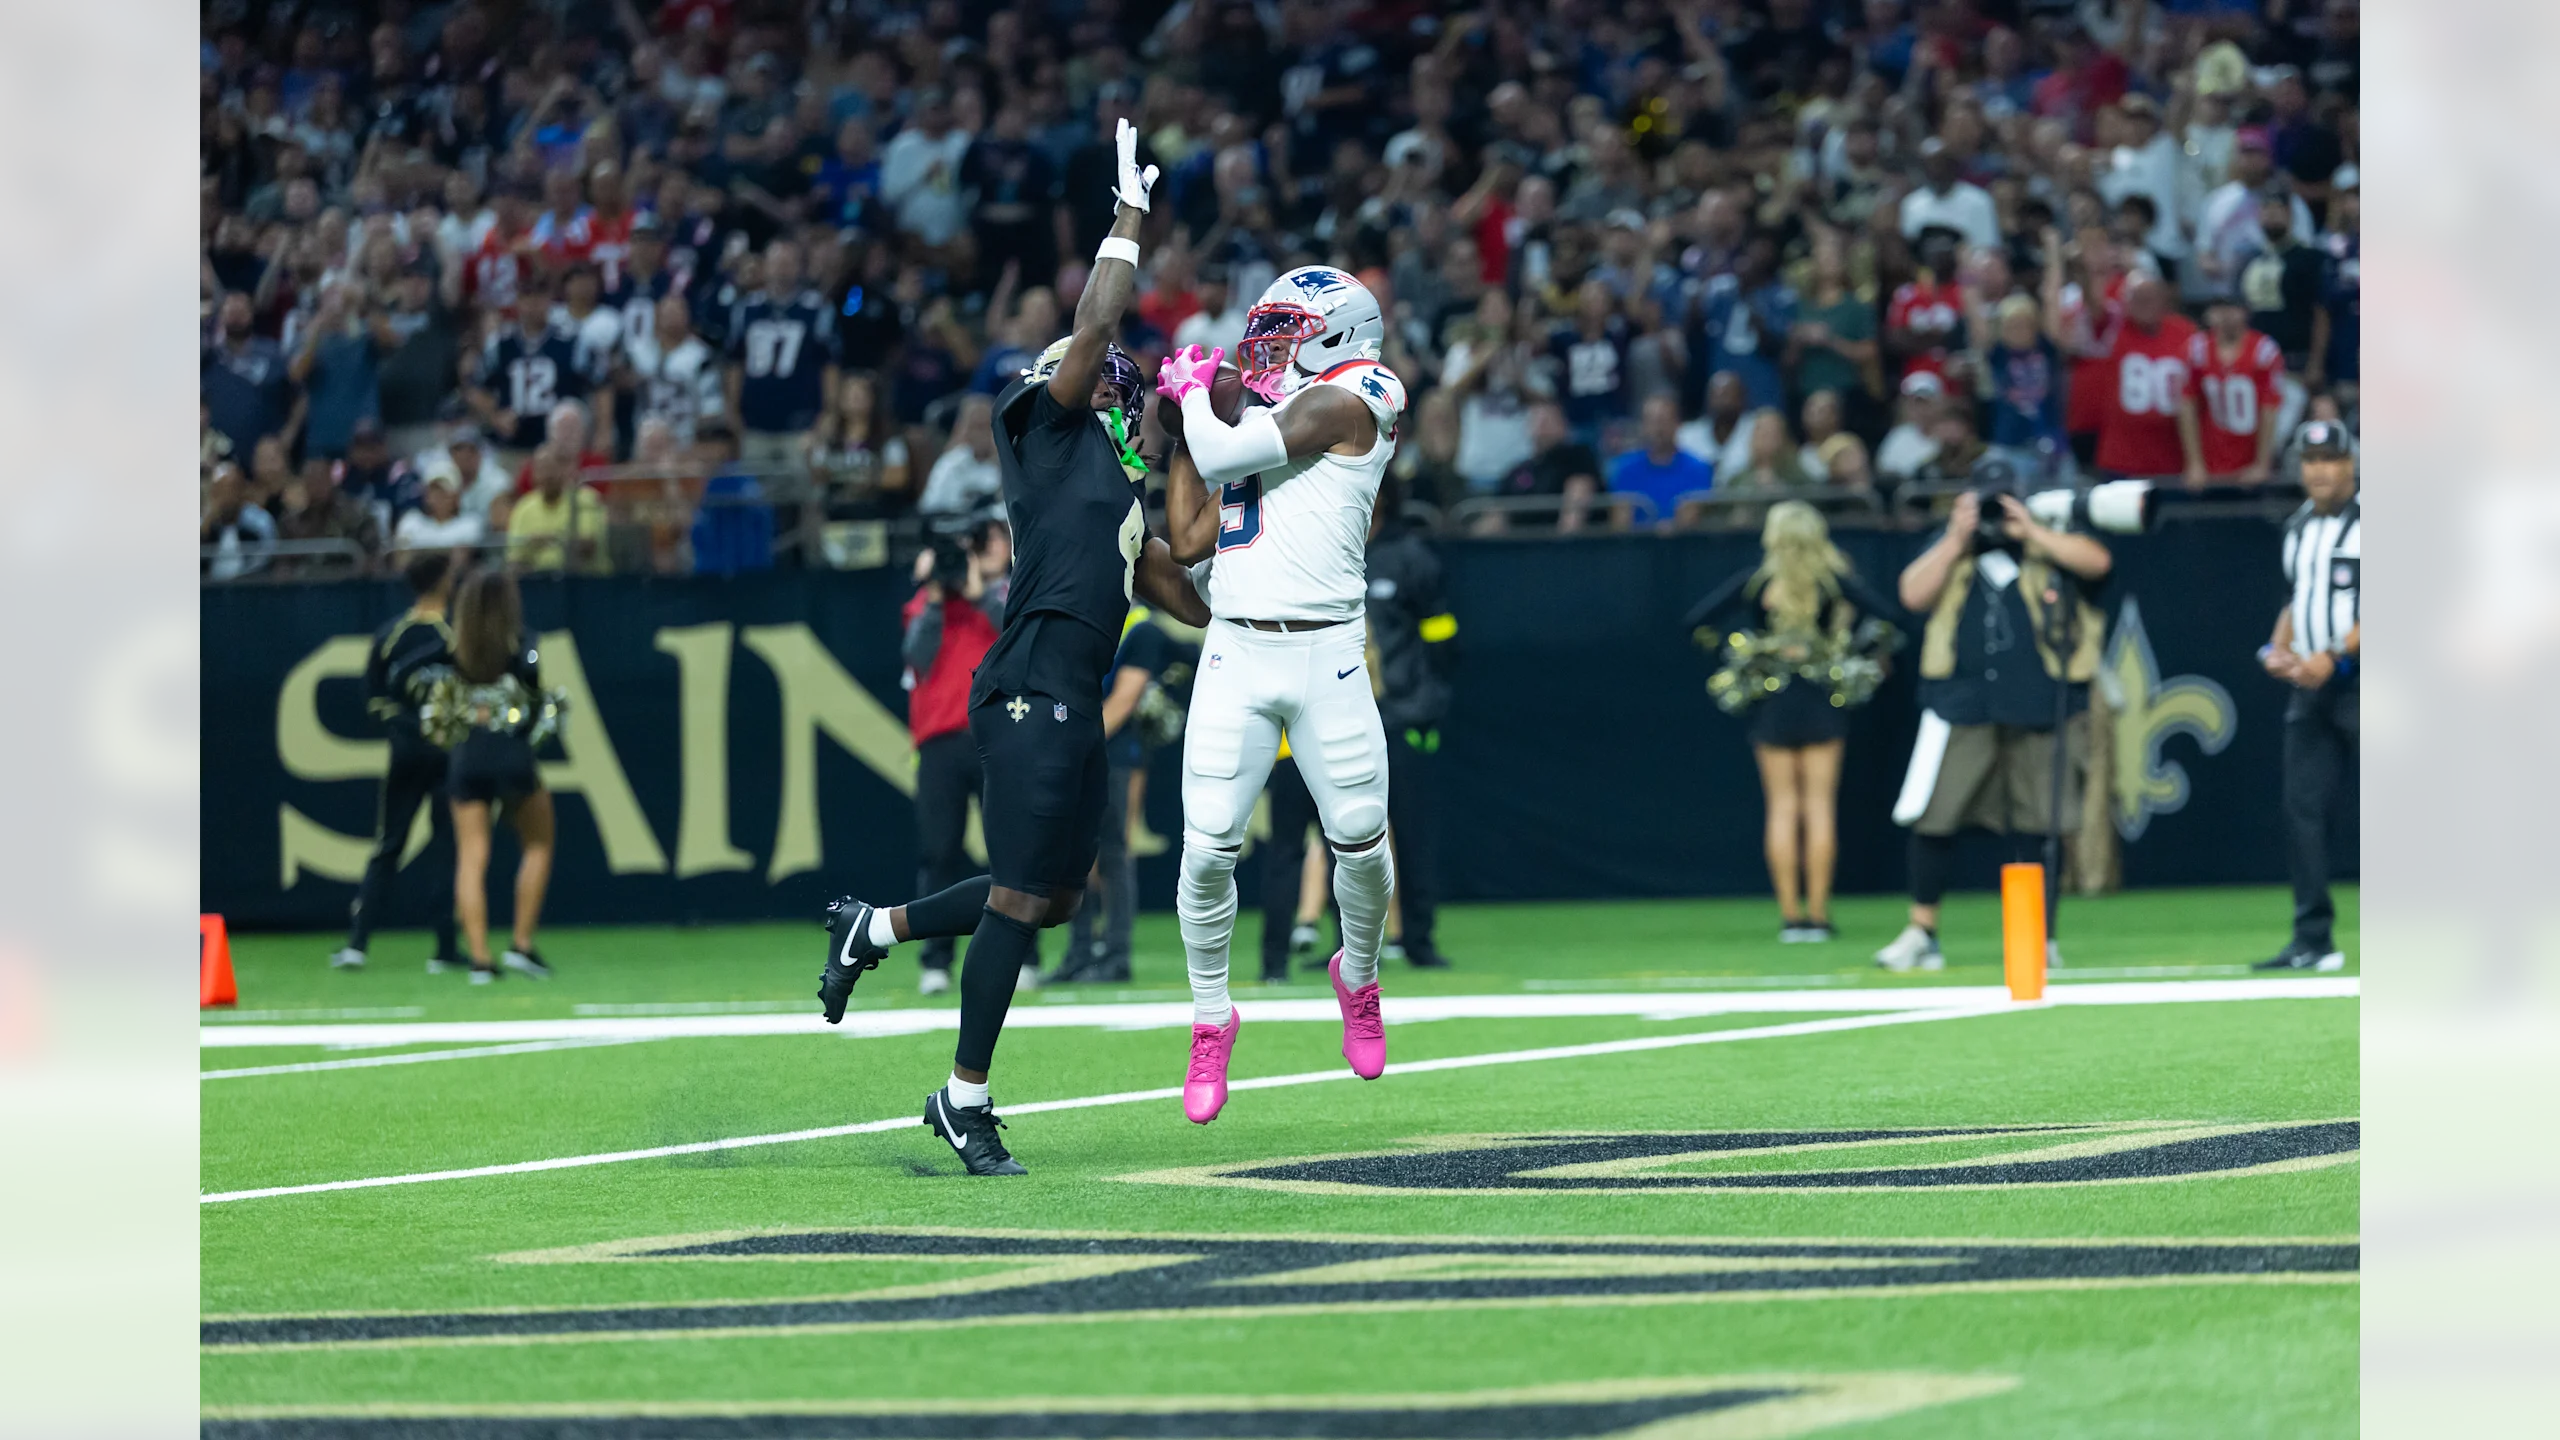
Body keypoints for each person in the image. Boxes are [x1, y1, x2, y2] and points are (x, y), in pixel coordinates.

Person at [814, 125, 1208, 1176]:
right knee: (1022, 899)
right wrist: (1127, 221)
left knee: (1055, 894)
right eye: (1112, 381)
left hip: (1072, 698)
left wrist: (1193, 439)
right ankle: (963, 1097)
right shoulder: (1037, 426)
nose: (1121, 392)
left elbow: (1190, 592)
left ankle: (873, 928)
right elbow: (1092, 327)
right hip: (1030, 681)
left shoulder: (1122, 483)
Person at [1155, 258, 1411, 1127]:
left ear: (1339, 336)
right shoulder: (1270, 409)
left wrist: (1197, 401)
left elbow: (1228, 448)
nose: (1269, 348)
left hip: (1329, 652)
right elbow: (1189, 534)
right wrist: (1182, 433)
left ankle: (1360, 976)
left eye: (1288, 332)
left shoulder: (1365, 392)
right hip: (1236, 647)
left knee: (1361, 843)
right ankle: (1210, 1016)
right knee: (1205, 848)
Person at [1876, 477, 2114, 972]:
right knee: (1933, 818)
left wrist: (2030, 532)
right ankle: (1922, 931)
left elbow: (2098, 562)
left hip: (2039, 703)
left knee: (2036, 826)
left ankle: (2037, 937)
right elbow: (1911, 593)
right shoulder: (1955, 547)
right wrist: (1955, 537)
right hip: (1961, 704)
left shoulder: (2045, 541)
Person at [1685, 502, 1902, 941]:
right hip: (1821, 698)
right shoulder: (1833, 583)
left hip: (1773, 702)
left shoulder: (1758, 584)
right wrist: (1853, 652)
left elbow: (1697, 622)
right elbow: (1891, 620)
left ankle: (1791, 918)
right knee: (1819, 808)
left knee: (1783, 807)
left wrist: (1744, 654)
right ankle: (1818, 916)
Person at [2254, 422, 2358, 972]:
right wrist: (2278, 647)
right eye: (2310, 459)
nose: (2319, 469)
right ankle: (2312, 937)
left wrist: (2338, 655)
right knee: (2303, 810)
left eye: (2330, 458)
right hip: (2313, 689)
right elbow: (2299, 600)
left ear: (2352, 464)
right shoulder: (2297, 527)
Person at [331, 552, 462, 973]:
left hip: (406, 754)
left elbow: (373, 701)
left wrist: (406, 726)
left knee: (389, 845)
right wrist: (435, 726)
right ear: (442, 581)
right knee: (446, 848)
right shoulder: (455, 635)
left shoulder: (391, 634)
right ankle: (443, 949)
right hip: (445, 755)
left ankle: (357, 944)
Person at [899, 519, 1011, 995]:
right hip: (940, 741)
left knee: (1010, 853)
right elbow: (916, 657)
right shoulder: (924, 605)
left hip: (995, 735)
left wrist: (978, 589)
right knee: (938, 851)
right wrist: (939, 598)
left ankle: (1017, 956)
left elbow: (1013, 635)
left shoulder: (1002, 597)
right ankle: (936, 961)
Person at [438, 568, 558, 985]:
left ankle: (480, 959)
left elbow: (409, 678)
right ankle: (522, 944)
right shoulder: (525, 643)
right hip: (511, 752)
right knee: (539, 842)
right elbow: (534, 688)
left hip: (468, 754)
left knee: (472, 855)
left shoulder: (454, 649)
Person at [1365, 476, 1459, 969]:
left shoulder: (1411, 557)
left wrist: (1428, 703)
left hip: (1403, 716)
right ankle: (1353, 946)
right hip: (1346, 718)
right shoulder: (1329, 548)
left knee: (1413, 830)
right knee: (1349, 833)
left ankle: (1418, 939)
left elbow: (1442, 639)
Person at [1056, 599, 1177, 984]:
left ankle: (1116, 953)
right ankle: (1079, 952)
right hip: (1079, 751)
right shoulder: (1083, 617)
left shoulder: (1142, 629)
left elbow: (1124, 699)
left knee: (1112, 854)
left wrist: (1072, 747)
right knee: (1074, 857)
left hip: (1114, 757)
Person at [725, 239, 840, 469]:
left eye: (788, 263)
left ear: (800, 267)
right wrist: (732, 410)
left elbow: (829, 365)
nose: (781, 269)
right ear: (765, 266)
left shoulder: (816, 309)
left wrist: (829, 412)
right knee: (755, 497)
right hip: (755, 422)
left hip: (802, 424)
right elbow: (735, 364)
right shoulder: (746, 309)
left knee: (805, 494)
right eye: (776, 263)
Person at [2190, 297, 2286, 484]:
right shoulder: (2197, 349)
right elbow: (2187, 405)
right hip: (2210, 456)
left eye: (2232, 308)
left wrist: (2261, 463)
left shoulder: (2264, 351)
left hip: (2248, 456)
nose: (2227, 315)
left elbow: (2269, 409)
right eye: (2220, 308)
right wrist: (2194, 462)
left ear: (2245, 312)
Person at [1612, 394, 1715, 529]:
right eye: (1652, 422)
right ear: (1643, 426)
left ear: (1677, 424)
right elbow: (1620, 525)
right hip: (1637, 546)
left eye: (1663, 421)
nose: (1658, 429)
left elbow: (1694, 521)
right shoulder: (1625, 470)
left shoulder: (1699, 469)